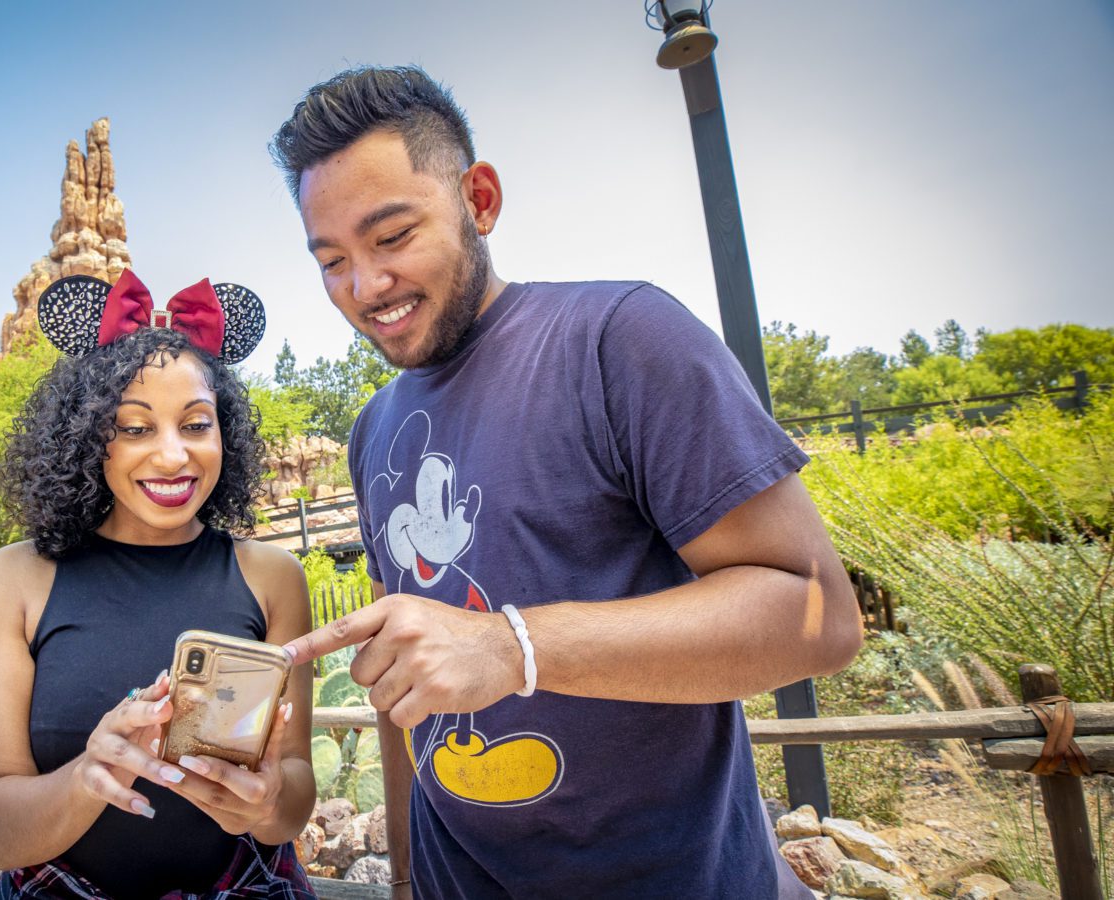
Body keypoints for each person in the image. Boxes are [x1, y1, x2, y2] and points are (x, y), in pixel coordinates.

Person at [269, 66, 863, 898]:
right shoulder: (372, 429)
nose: (365, 287)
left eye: (393, 237)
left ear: (479, 199)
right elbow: (396, 684)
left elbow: (820, 614)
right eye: (332, 260)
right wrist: (404, 881)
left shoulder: (620, 340)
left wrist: (510, 649)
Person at [0, 270, 317, 899]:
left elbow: (293, 800)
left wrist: (265, 804)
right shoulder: (10, 582)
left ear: (224, 433)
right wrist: (89, 774)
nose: (174, 456)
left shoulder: (274, 579)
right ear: (89, 439)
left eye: (196, 424)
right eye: (135, 428)